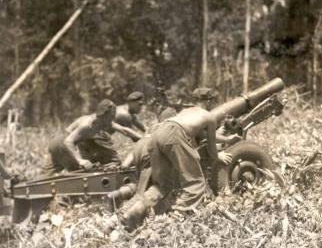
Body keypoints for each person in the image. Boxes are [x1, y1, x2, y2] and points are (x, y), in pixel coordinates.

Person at [121, 87, 237, 229]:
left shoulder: (185, 112)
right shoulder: (209, 117)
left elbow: (202, 134)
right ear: (209, 101)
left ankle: (133, 212)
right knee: (195, 183)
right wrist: (219, 155)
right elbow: (212, 149)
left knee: (162, 185)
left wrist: (227, 138)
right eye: (214, 102)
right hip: (173, 134)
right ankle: (174, 219)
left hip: (157, 135)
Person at [41, 99, 143, 176]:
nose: (113, 118)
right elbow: (68, 141)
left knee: (46, 176)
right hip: (62, 142)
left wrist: (142, 137)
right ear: (104, 114)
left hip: (56, 141)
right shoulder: (88, 125)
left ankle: (28, 194)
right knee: (82, 173)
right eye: (112, 115)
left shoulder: (103, 121)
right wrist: (80, 160)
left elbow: (124, 130)